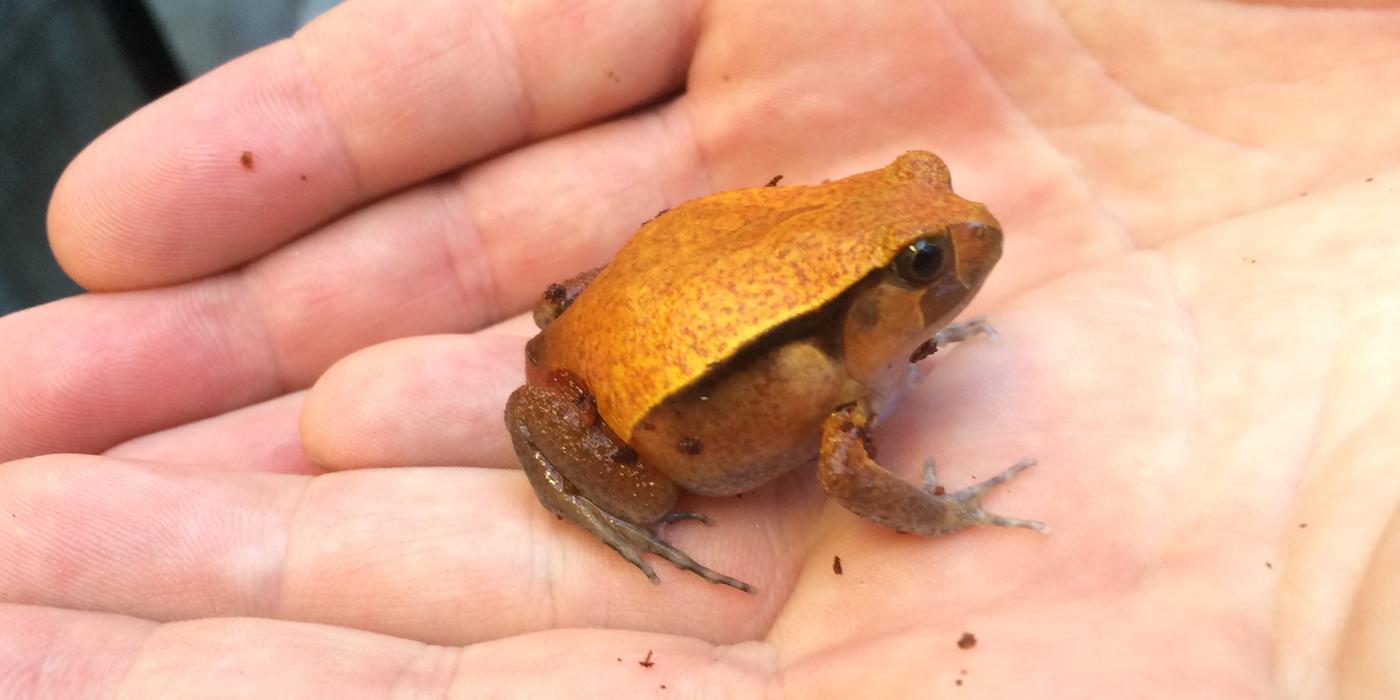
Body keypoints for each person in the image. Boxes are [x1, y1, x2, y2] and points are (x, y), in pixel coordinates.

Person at [2, 1, 1397, 695]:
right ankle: (627, 520)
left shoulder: (848, 311)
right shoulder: (834, 405)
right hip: (631, 404)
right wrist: (948, 508)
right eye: (923, 264)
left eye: (931, 242)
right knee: (636, 476)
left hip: (653, 304)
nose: (961, 248)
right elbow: (851, 480)